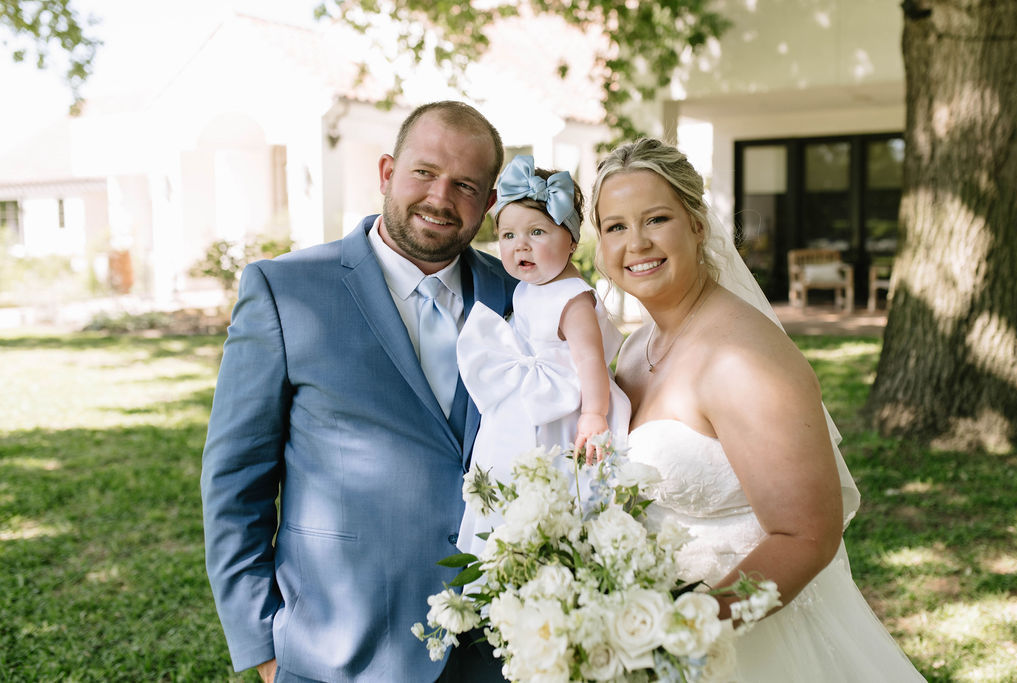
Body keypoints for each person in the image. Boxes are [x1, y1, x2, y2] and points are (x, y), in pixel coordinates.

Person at [200, 101, 518, 683]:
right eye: (424, 172)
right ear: (386, 173)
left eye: (465, 185)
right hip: (336, 655)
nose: (440, 198)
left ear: (490, 203)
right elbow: (234, 481)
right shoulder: (284, 291)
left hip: (495, 655)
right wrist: (264, 648)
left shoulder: (520, 298)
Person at [591, 138, 926, 681]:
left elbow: (807, 536)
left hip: (746, 641)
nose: (637, 243)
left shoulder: (743, 358)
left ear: (697, 224)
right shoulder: (635, 348)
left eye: (657, 218)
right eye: (615, 226)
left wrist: (681, 634)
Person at [455, 155, 631, 556]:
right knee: (508, 480)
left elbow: (589, 359)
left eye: (537, 232)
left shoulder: (572, 298)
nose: (521, 246)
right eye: (508, 236)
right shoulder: (529, 286)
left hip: (567, 409)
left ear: (571, 240)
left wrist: (593, 413)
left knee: (563, 483)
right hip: (527, 401)